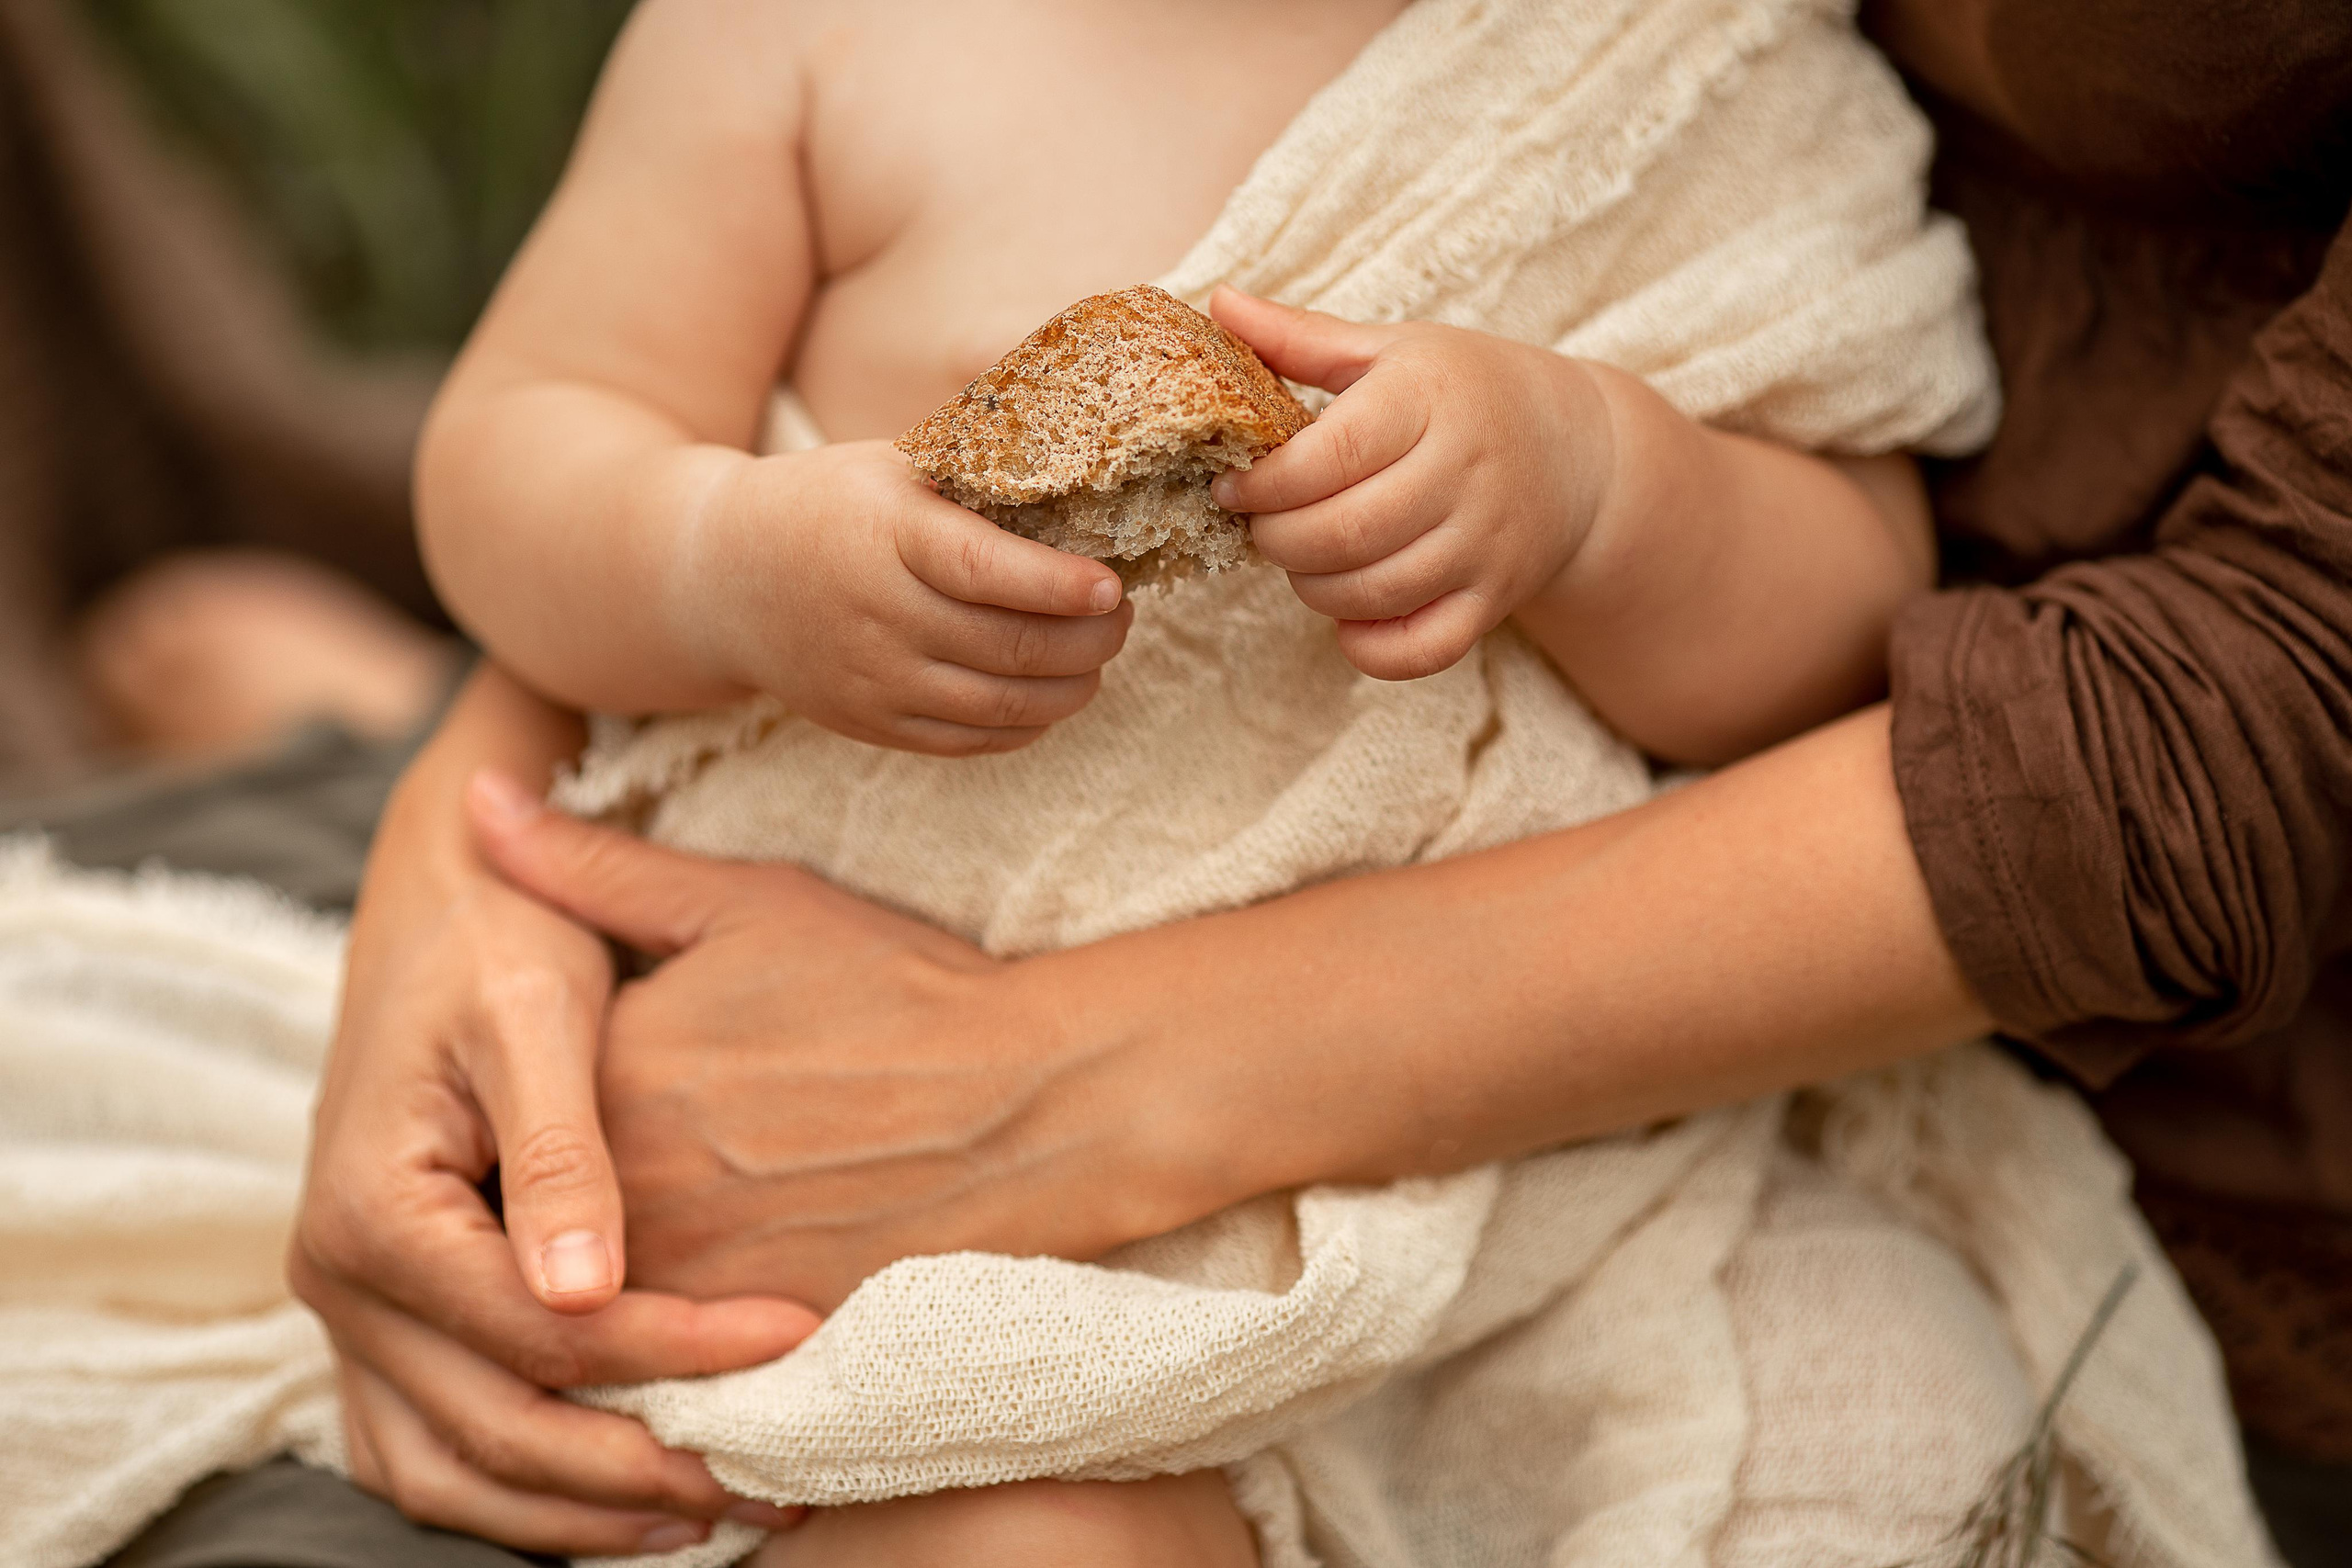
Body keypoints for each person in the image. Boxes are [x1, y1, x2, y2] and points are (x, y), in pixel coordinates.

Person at [98, 0, 2352, 1563]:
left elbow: (1848, 635)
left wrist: (1605, 487)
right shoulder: (803, 42)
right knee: (1020, 1512)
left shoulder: (1691, 76)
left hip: (1556, 1152)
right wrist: (721, 555)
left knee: (1875, 1425)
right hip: (873, 1119)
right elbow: (520, 458)